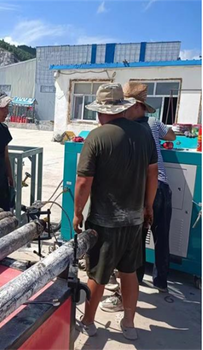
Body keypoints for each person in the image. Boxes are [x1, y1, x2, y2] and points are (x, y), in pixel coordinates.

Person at [73, 83, 158, 340]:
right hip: (134, 220)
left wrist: (77, 213)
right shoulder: (144, 135)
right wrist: (148, 206)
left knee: (97, 275)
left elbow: (83, 182)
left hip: (104, 222)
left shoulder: (97, 137)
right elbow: (152, 173)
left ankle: (88, 322)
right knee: (129, 273)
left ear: (100, 110)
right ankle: (129, 323)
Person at [100, 82, 176, 313]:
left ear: (134, 105)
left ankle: (132, 286)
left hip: (144, 189)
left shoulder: (130, 129)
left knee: (135, 243)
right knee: (161, 238)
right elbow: (171, 135)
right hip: (163, 187)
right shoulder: (154, 123)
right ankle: (161, 282)